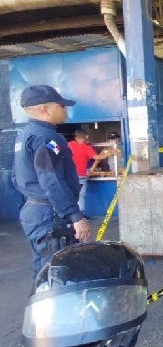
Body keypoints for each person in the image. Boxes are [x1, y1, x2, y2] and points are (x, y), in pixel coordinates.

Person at [12, 84, 90, 278]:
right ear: (44, 109)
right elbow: (51, 179)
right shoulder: (45, 138)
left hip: (35, 211)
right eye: (60, 105)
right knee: (58, 273)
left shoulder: (25, 135)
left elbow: (16, 176)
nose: (65, 109)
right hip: (51, 216)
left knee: (43, 269)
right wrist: (75, 216)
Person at [67, 129, 111, 212]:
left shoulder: (69, 144)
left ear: (75, 138)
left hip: (69, 176)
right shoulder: (86, 148)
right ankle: (81, 215)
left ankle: (70, 216)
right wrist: (109, 153)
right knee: (80, 196)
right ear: (85, 137)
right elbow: (97, 157)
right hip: (81, 175)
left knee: (70, 195)